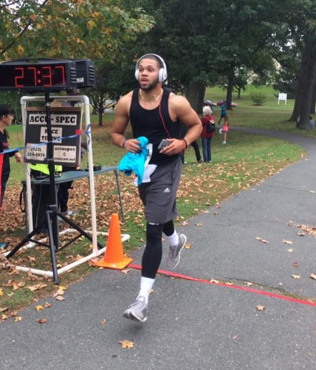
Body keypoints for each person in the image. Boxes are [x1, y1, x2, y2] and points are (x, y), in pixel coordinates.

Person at [111, 53, 202, 322]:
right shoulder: (126, 102)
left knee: (152, 229)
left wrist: (183, 143)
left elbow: (196, 125)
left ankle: (141, 301)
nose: (144, 73)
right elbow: (116, 134)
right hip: (144, 170)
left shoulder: (175, 102)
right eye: (140, 69)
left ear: (161, 74)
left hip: (168, 167)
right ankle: (176, 241)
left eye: (150, 69)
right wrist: (124, 143)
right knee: (158, 215)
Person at [0, 104, 23, 248]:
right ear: (4, 117)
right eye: (11, 115)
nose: (12, 118)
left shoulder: (3, 133)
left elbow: (5, 148)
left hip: (4, 176)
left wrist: (15, 153)